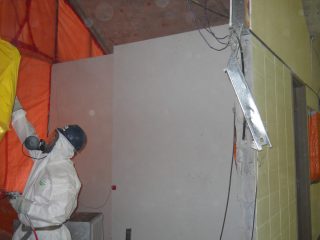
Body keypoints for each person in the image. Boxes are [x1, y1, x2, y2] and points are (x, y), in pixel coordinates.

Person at [9, 98, 87, 240]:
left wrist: (27, 207)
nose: (50, 139)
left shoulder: (64, 175)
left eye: (55, 137)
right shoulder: (46, 159)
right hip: (27, 232)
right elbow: (28, 136)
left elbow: (59, 213)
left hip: (47, 235)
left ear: (64, 145)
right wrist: (16, 110)